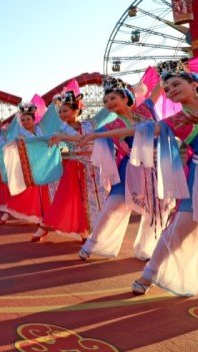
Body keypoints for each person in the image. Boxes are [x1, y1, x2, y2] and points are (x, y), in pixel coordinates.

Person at [83, 60, 198, 296]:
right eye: (166, 88)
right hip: (195, 175)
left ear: (194, 83)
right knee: (179, 229)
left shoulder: (149, 108)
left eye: (176, 84)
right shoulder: (176, 120)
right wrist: (97, 134)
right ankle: (149, 274)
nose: (170, 90)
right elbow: (136, 131)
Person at [77, 76, 163, 261]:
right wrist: (61, 137)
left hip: (154, 167)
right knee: (112, 206)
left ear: (126, 98)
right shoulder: (111, 125)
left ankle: (146, 249)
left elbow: (159, 88)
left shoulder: (145, 109)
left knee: (154, 210)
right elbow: (88, 137)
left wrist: (167, 76)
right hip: (128, 169)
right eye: (105, 101)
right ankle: (91, 245)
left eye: (113, 98)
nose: (108, 103)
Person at [31, 92, 107, 242]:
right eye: (60, 112)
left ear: (76, 110)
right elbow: (45, 140)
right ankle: (49, 227)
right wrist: (24, 143)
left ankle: (93, 232)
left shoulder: (89, 125)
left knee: (97, 199)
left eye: (65, 110)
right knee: (65, 200)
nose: (62, 114)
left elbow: (85, 136)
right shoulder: (61, 130)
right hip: (75, 168)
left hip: (94, 167)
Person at [0, 103, 51, 225]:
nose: (26, 122)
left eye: (28, 119)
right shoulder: (20, 135)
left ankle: (41, 217)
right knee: (24, 192)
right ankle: (8, 212)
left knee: (41, 193)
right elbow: (11, 146)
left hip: (42, 165)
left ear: (34, 120)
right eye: (23, 120)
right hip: (28, 167)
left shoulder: (41, 130)